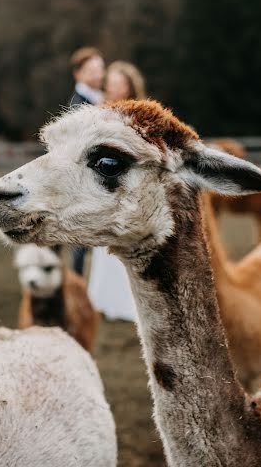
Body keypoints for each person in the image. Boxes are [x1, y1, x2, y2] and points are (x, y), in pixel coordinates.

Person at [88, 61, 146, 321]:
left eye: (117, 81)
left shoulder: (139, 114)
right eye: (110, 80)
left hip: (128, 187)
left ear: (128, 86)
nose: (111, 85)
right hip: (103, 187)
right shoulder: (98, 112)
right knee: (105, 247)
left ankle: (127, 303)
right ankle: (104, 301)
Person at [69, 47, 105, 275]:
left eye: (100, 68)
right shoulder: (78, 103)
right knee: (81, 237)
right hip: (85, 177)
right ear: (78, 74)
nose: (98, 74)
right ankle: (78, 279)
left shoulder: (97, 98)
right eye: (91, 70)